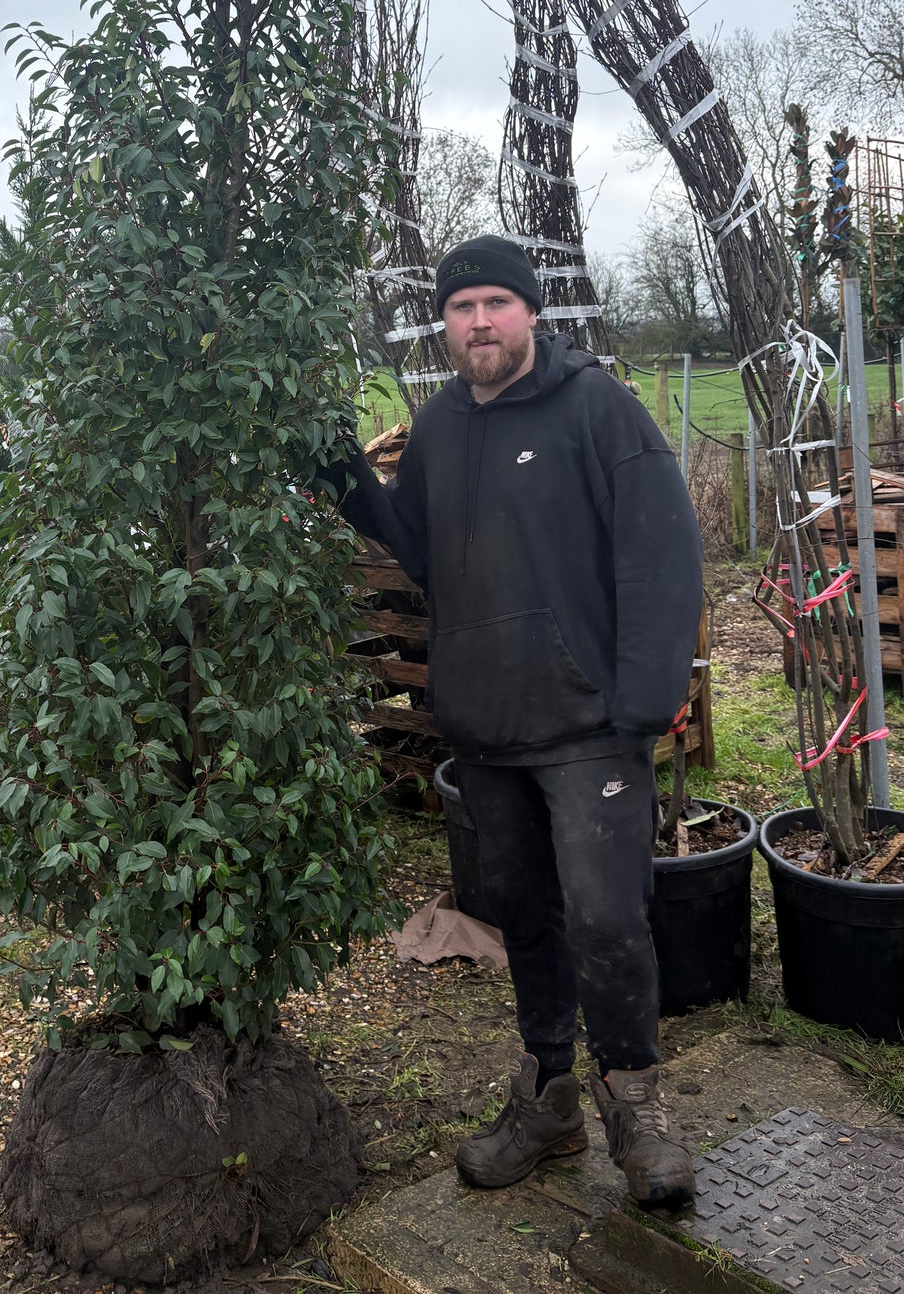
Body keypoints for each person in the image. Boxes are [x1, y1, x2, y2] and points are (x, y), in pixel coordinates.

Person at [331, 235, 702, 1205]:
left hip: (588, 724)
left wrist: (641, 698)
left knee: (607, 917)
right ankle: (547, 1103)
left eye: (496, 302)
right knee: (525, 920)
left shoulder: (595, 408)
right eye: (461, 308)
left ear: (530, 311)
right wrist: (337, 472)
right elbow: (417, 548)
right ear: (444, 326)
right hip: (487, 727)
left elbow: (663, 550)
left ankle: (637, 1108)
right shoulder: (439, 427)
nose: (480, 321)